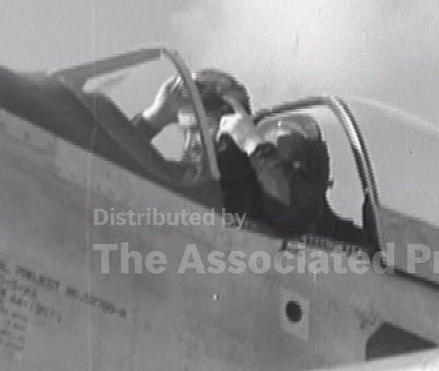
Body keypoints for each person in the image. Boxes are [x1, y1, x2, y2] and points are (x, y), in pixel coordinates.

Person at [132, 69, 364, 245]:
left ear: (232, 124)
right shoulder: (192, 179)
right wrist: (151, 119)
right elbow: (123, 170)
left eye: (198, 131)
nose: (191, 143)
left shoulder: (258, 182)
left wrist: (253, 143)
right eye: (186, 132)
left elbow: (296, 215)